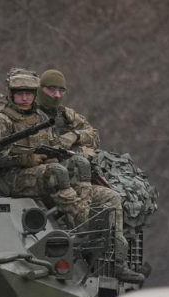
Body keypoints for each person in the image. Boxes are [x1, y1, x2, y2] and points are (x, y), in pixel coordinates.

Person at [37, 70, 143, 283]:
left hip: (76, 178)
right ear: (40, 90)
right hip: (47, 179)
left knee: (111, 198)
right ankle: (83, 239)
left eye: (60, 90)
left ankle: (116, 262)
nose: (56, 95)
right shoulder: (31, 116)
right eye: (51, 89)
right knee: (73, 208)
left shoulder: (65, 115)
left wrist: (74, 135)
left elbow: (93, 135)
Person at [0, 68, 84, 227]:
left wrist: (58, 154)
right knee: (57, 172)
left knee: (78, 165)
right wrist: (25, 158)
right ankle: (81, 223)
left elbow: (52, 143)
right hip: (8, 178)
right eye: (19, 94)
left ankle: (79, 214)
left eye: (29, 94)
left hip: (37, 170)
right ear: (11, 94)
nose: (24, 98)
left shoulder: (40, 117)